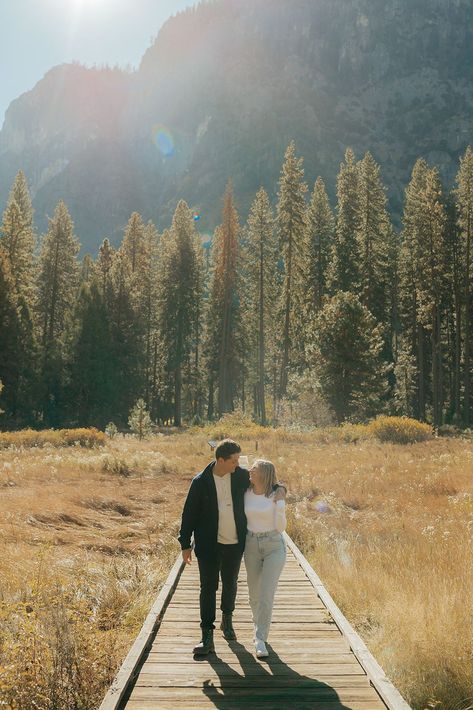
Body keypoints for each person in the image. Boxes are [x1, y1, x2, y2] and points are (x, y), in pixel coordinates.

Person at [178, 439, 285, 656]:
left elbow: (268, 481)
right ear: (221, 460)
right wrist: (185, 544)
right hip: (208, 544)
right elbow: (189, 513)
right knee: (208, 588)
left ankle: (227, 620)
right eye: (234, 460)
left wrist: (281, 489)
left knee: (230, 584)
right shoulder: (200, 482)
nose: (239, 464)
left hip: (235, 543)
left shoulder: (239, 477)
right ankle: (206, 635)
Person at [244, 459, 287, 658]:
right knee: (254, 594)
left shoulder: (275, 494)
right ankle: (257, 624)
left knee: (266, 594)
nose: (250, 470)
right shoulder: (245, 491)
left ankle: (260, 638)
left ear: (265, 474)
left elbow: (280, 528)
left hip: (273, 545)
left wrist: (280, 503)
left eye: (255, 468)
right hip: (251, 544)